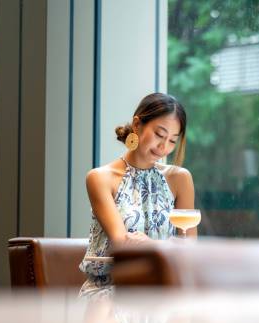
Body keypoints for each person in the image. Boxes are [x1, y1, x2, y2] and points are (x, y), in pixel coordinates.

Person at [78, 92, 196, 298]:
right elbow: (123, 244)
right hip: (111, 290)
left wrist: (150, 244)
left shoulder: (180, 179)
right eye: (159, 134)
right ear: (136, 124)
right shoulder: (100, 178)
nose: (163, 147)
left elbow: (191, 250)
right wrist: (171, 247)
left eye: (172, 141)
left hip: (164, 290)